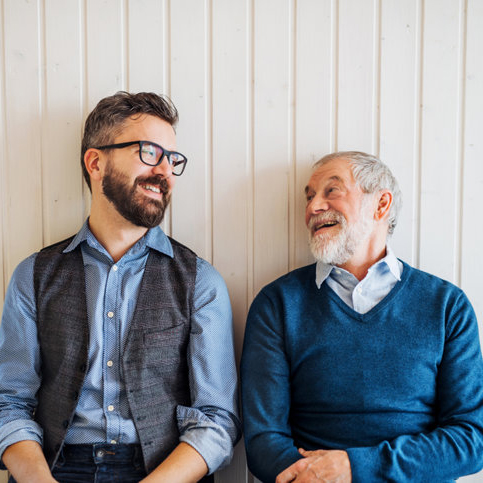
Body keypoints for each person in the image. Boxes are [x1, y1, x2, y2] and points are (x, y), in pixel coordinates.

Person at [0, 91, 240, 482]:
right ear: (95, 162)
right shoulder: (33, 275)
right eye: (149, 152)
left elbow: (218, 418)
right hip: (55, 469)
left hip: (162, 471)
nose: (164, 171)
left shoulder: (200, 281)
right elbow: (8, 401)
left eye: (172, 159)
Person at [241, 151, 483, 483]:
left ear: (381, 205)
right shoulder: (277, 304)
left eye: (332, 191)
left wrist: (354, 468)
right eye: (309, 197)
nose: (313, 208)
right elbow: (263, 441)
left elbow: (471, 439)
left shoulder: (446, 306)